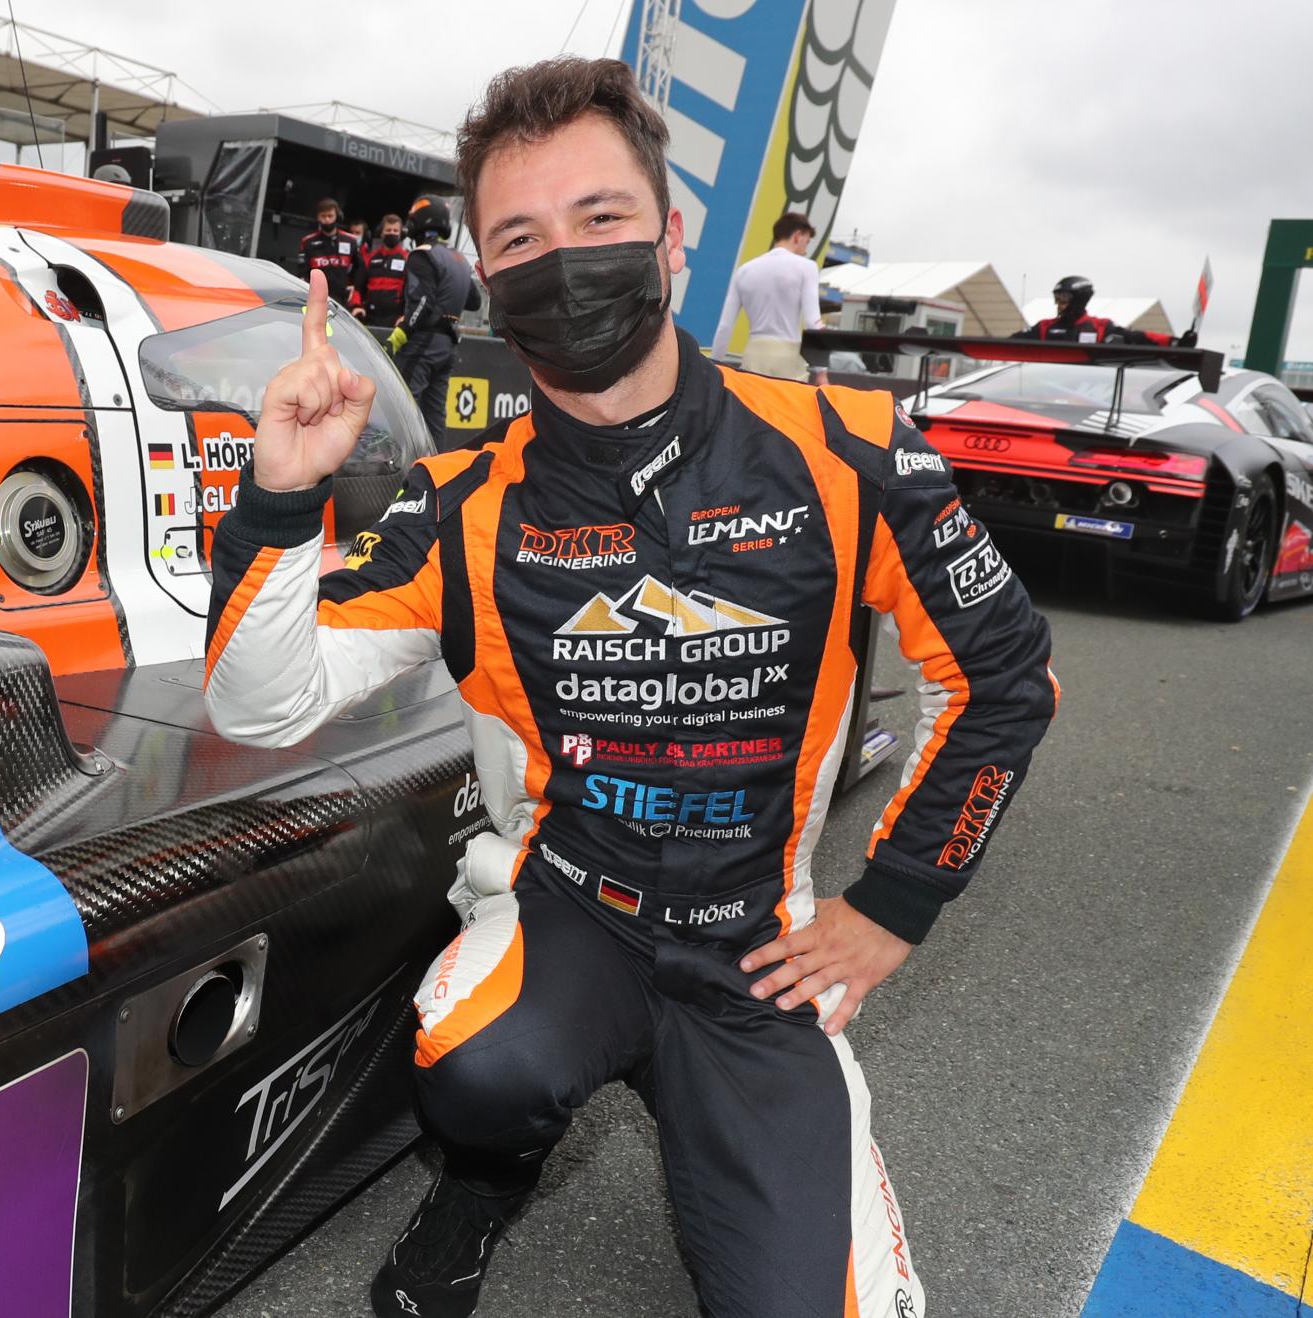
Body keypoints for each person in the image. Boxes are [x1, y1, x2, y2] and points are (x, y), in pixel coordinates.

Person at [204, 55, 1057, 1318]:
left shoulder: (849, 448)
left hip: (757, 951)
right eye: (520, 238)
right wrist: (282, 491)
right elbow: (260, 705)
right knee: (478, 1065)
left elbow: (1004, 679)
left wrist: (896, 901)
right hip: (570, 915)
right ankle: (482, 1182)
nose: (565, 259)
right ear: (486, 273)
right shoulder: (462, 505)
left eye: (599, 217)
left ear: (669, 236)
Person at [386, 196, 480, 439]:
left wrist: (403, 331)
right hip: (447, 345)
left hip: (423, 342)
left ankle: (402, 460)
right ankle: (435, 459)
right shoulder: (459, 258)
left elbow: (423, 302)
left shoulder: (422, 255)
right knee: (434, 414)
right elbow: (474, 301)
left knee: (403, 405)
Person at [710, 210, 827, 382]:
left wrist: (714, 366)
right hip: (787, 360)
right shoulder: (807, 267)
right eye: (806, 242)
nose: (805, 249)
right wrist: (822, 372)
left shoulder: (744, 271)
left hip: (753, 357)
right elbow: (813, 323)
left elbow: (725, 327)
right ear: (797, 236)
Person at [1015, 275, 1197, 347]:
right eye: (1056, 298)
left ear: (1078, 298)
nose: (1058, 303)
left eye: (1063, 297)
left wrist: (1176, 342)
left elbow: (1138, 337)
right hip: (1044, 392)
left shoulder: (1100, 327)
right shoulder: (1044, 327)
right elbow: (1009, 343)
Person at [295, 198, 367, 314]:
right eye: (323, 216)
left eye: (330, 216)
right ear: (318, 217)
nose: (327, 220)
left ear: (337, 216)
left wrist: (355, 288)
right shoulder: (308, 242)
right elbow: (302, 273)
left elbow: (360, 269)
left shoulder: (350, 240)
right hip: (317, 300)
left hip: (343, 300)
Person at [359, 213, 411, 328]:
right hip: (370, 317)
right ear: (381, 233)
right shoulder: (369, 258)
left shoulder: (408, 258)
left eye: (395, 230)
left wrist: (406, 316)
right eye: (388, 230)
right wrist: (356, 306)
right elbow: (359, 286)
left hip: (396, 320)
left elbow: (411, 291)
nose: (392, 233)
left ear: (401, 233)